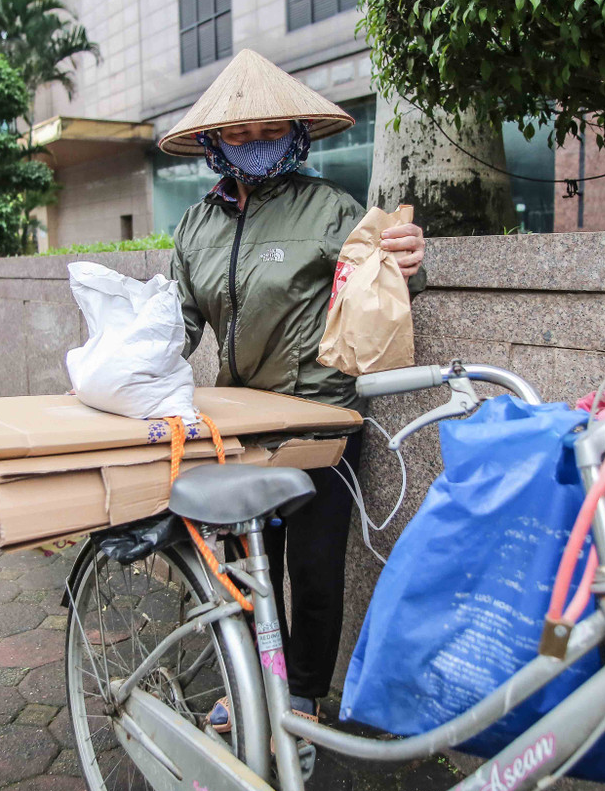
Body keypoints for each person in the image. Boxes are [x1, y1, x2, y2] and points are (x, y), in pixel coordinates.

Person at [158, 50, 426, 730]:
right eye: (240, 134)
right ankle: (249, 684)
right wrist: (132, 356)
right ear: (215, 143)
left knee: (310, 569)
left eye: (270, 131)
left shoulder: (331, 209)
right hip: (240, 420)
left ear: (297, 135)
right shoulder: (195, 227)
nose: (255, 146)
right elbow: (178, 322)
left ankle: (302, 692)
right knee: (248, 563)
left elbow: (379, 279)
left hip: (322, 418)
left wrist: (407, 261)